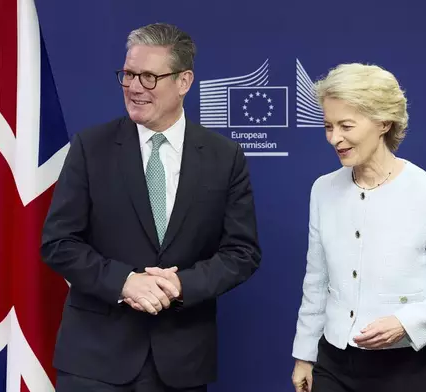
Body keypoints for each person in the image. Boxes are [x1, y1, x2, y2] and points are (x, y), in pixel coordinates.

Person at [41, 23, 261, 392]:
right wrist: (124, 281)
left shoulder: (225, 157)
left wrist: (179, 285)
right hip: (95, 361)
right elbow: (59, 243)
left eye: (148, 76)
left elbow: (242, 252)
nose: (134, 87)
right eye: (128, 75)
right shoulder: (90, 148)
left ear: (184, 81)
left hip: (182, 362)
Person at [290, 63, 426, 392]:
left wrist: (404, 323)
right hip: (333, 364)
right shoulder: (322, 189)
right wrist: (305, 355)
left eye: (346, 126)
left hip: (408, 370)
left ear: (382, 122)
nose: (335, 138)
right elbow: (317, 281)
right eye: (328, 126)